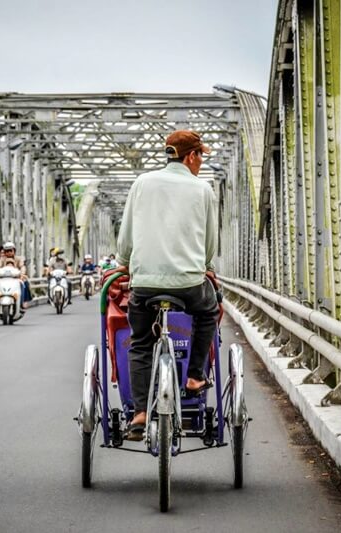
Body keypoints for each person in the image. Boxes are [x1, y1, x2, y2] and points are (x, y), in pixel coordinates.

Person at [116, 130, 219, 441]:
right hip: (189, 283)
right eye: (200, 155)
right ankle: (194, 378)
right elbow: (210, 244)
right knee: (208, 312)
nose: (202, 162)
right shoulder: (202, 189)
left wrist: (125, 260)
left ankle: (139, 413)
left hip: (145, 284)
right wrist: (205, 267)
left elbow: (126, 238)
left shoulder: (141, 184)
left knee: (141, 342)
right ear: (189, 157)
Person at [0, 241, 32, 310]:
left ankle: (23, 301)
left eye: (10, 251)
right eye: (6, 251)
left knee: (24, 283)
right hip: (4, 278)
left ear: (14, 251)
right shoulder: (2, 259)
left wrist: (22, 274)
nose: (8, 253)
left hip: (16, 278)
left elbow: (22, 266)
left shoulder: (18, 259)